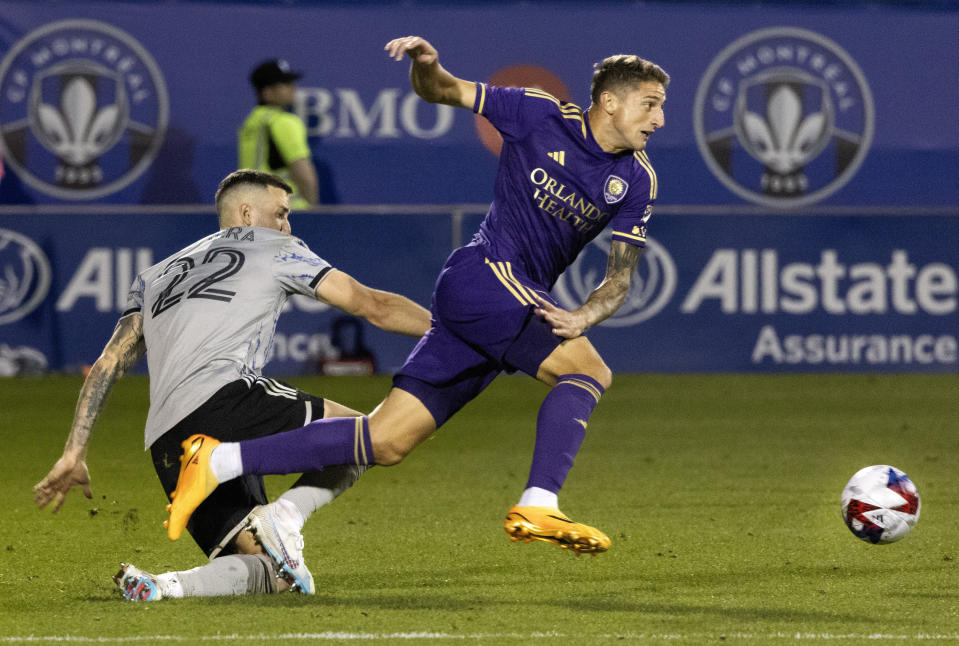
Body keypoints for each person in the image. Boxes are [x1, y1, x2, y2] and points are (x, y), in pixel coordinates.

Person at [166, 35, 669, 557]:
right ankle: (539, 501)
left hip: (501, 304)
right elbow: (443, 90)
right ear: (609, 100)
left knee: (384, 441)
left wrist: (586, 313)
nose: (657, 120)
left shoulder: (636, 179)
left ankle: (217, 461)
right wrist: (428, 65)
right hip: (484, 277)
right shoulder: (538, 113)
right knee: (588, 372)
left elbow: (619, 280)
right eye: (650, 104)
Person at [33, 169, 431, 600]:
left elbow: (109, 361)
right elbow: (371, 304)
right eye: (280, 213)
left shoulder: (154, 275)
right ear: (246, 213)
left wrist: (74, 452)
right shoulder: (277, 248)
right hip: (226, 399)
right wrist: (448, 331)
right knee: (372, 436)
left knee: (272, 573)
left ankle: (162, 586)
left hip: (169, 441)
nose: (287, 226)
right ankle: (286, 514)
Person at [238, 59, 319, 208]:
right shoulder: (284, 122)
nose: (292, 88)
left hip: (255, 211)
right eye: (284, 84)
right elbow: (302, 171)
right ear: (267, 92)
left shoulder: (250, 123)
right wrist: (313, 211)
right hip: (288, 212)